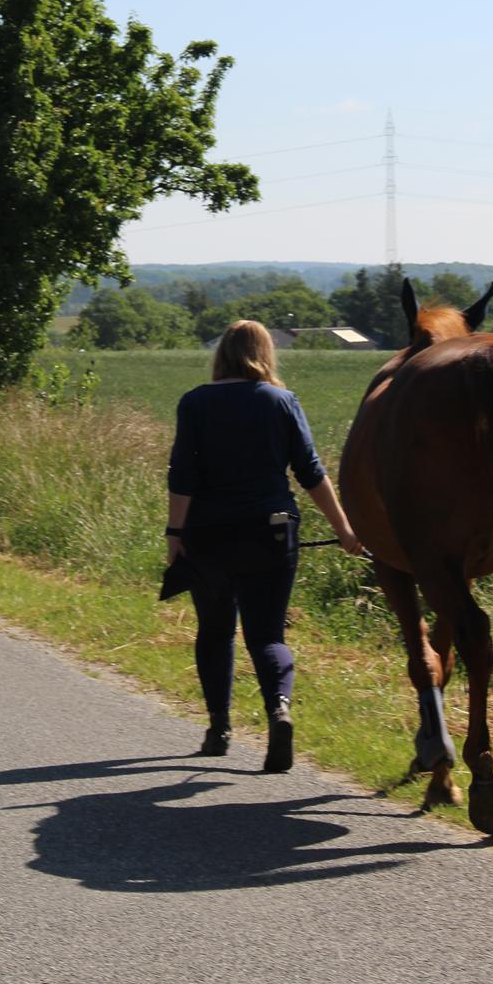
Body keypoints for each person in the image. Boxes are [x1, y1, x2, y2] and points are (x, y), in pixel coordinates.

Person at [165, 319, 361, 773]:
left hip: (208, 535)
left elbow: (183, 474)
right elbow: (310, 472)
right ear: (265, 354)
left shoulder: (195, 403)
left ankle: (218, 729)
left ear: (222, 355)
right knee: (267, 635)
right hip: (271, 531)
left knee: (215, 631)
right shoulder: (281, 401)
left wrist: (175, 535)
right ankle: (279, 709)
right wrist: (345, 530)